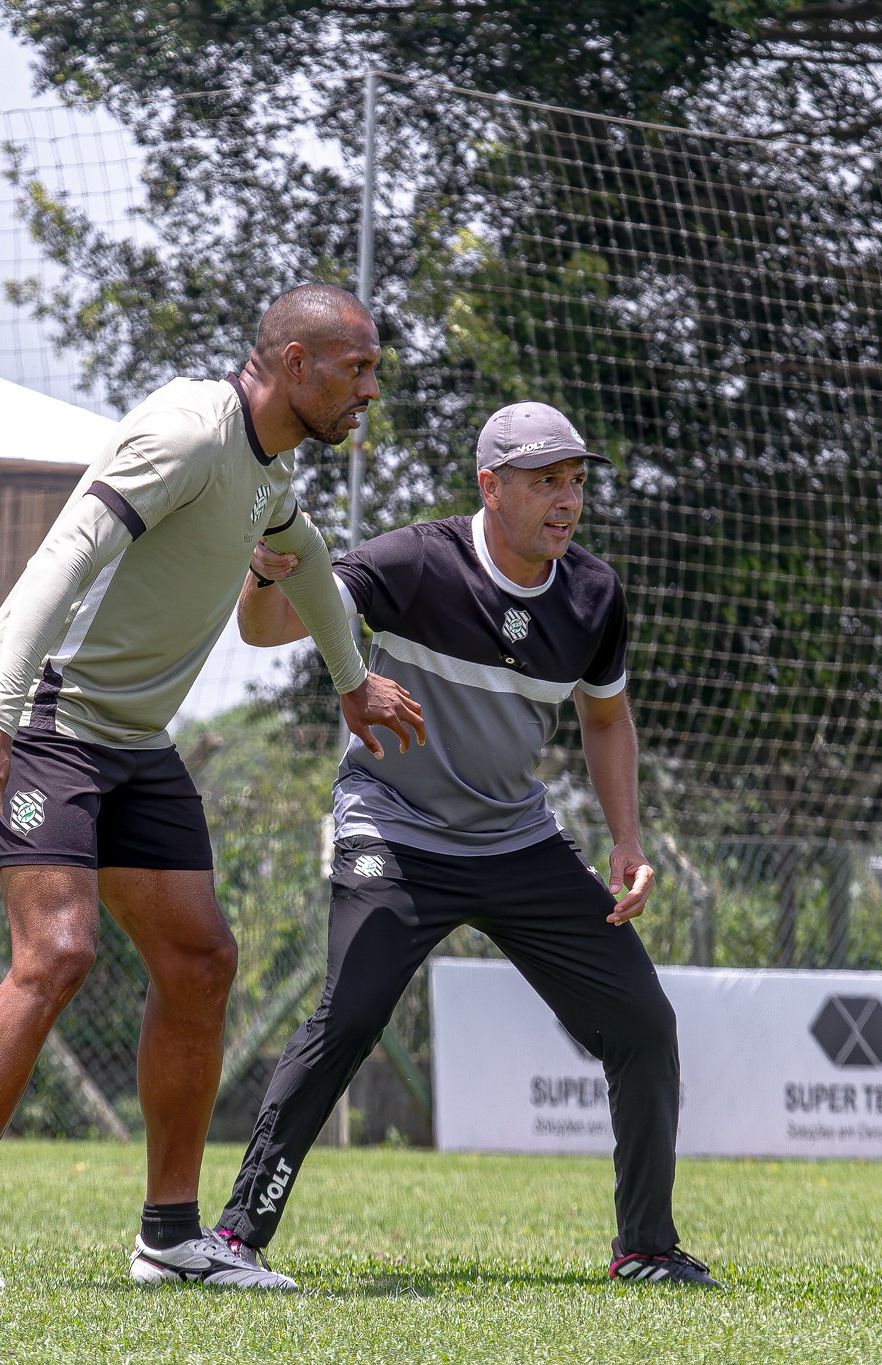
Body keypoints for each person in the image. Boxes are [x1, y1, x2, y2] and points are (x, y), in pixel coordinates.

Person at [0, 283, 426, 1292]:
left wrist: (352, 680)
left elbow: (305, 558)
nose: (369, 388)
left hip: (134, 742)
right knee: (57, 953)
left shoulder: (264, 468)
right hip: (46, 714)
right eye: (354, 368)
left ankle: (170, 1239)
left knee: (200, 960)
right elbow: (61, 560)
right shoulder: (190, 431)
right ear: (292, 367)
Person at [213, 401, 720, 1288]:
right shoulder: (414, 561)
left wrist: (627, 838)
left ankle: (646, 1248)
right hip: (395, 829)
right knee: (353, 1013)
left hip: (516, 839)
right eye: (544, 481)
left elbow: (606, 718)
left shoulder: (594, 593)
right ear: (491, 486)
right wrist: (263, 574)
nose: (567, 499)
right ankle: (235, 1236)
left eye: (575, 480)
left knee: (644, 1020)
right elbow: (266, 630)